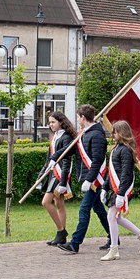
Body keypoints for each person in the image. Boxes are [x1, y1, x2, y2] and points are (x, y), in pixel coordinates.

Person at [58, 104, 111, 253]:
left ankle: (75, 243)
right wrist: (54, 158)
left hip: (95, 180)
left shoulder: (97, 135)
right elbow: (69, 150)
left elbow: (97, 160)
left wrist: (89, 179)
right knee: (99, 210)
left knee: (84, 209)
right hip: (91, 179)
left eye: (78, 117)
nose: (77, 120)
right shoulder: (84, 133)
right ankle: (114, 237)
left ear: (82, 117)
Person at [100, 120, 140, 260]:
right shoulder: (116, 148)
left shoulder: (125, 150)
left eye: (115, 132)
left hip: (121, 190)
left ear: (122, 133)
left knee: (111, 217)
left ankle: (114, 250)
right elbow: (110, 171)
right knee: (118, 219)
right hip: (114, 188)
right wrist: (104, 188)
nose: (113, 135)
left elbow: (126, 173)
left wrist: (121, 194)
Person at [42, 111, 75, 247]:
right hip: (52, 173)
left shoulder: (66, 138)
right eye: (49, 122)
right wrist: (41, 175)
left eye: (53, 122)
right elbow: (49, 158)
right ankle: (61, 236)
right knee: (59, 204)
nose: (50, 125)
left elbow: (66, 161)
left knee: (46, 202)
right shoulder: (54, 136)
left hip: (60, 174)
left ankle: (61, 231)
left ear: (61, 122)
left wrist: (63, 182)